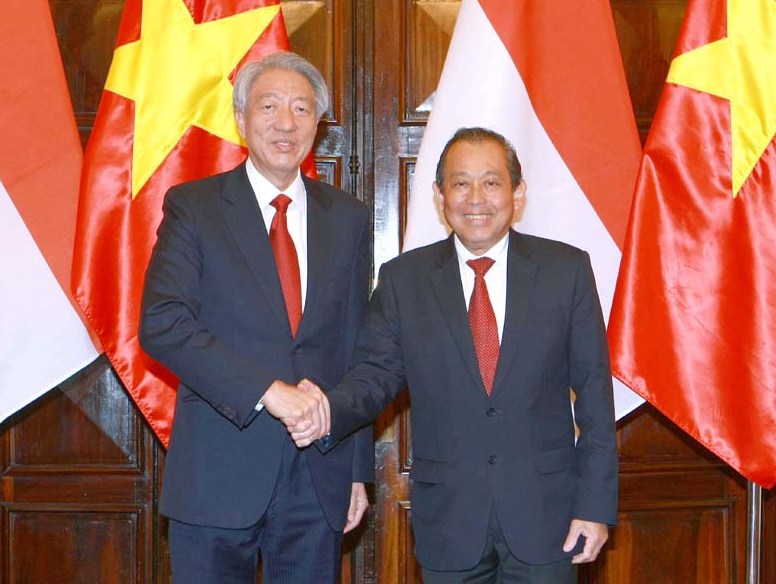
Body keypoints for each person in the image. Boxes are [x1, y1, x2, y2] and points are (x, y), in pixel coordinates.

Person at [287, 127, 618, 583]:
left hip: (548, 519)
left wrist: (594, 506)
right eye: (461, 183)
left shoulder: (566, 271)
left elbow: (596, 397)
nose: (475, 198)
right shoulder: (404, 280)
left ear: (518, 192)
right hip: (449, 520)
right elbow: (373, 377)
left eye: (491, 182)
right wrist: (326, 407)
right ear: (440, 195)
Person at [138, 51, 372, 584]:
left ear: (318, 124)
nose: (286, 123)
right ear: (241, 119)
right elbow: (164, 322)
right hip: (217, 471)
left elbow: (355, 349)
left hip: (319, 476)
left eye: (301, 108)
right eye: (269, 106)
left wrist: (357, 469)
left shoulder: (348, 217)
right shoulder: (194, 207)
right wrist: (268, 391)